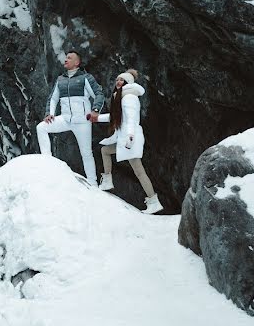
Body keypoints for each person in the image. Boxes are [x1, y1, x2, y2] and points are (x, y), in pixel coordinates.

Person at [89, 69, 163, 214]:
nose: (118, 82)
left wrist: (130, 135)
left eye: (121, 80)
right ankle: (108, 180)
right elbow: (116, 118)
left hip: (130, 138)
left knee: (139, 172)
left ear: (127, 83)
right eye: (117, 79)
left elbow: (130, 118)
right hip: (125, 138)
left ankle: (154, 201)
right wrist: (97, 118)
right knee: (106, 151)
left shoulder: (129, 98)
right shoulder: (122, 97)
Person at [36, 50, 105, 183]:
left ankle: (93, 183)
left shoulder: (86, 78)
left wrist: (95, 110)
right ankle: (47, 162)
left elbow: (98, 94)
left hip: (82, 121)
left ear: (77, 62)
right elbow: (53, 98)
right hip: (65, 119)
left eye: (69, 58)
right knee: (41, 128)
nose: (65, 60)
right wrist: (49, 113)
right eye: (66, 58)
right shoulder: (60, 79)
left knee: (86, 153)